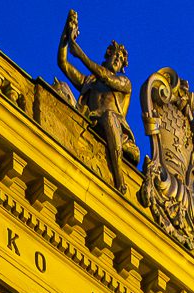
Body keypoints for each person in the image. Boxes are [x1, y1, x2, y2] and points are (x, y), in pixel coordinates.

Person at [56, 12, 137, 196]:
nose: (117, 60)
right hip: (91, 120)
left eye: (121, 60)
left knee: (109, 117)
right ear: (107, 55)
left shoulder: (125, 83)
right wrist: (66, 37)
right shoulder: (89, 82)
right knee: (61, 87)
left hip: (117, 131)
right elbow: (62, 63)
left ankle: (119, 179)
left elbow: (106, 78)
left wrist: (80, 53)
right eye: (115, 56)